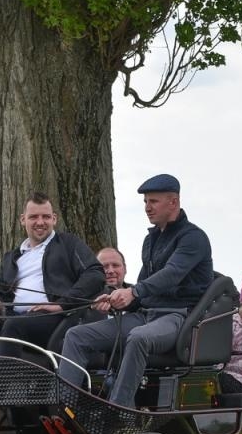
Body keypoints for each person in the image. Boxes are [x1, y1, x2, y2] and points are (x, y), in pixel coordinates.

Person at [58, 174, 213, 408]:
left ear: (173, 202)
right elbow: (144, 290)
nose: (147, 208)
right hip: (146, 315)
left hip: (178, 316)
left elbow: (171, 274)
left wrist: (133, 292)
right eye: (145, 202)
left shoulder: (193, 238)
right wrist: (118, 301)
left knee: (138, 338)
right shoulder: (150, 241)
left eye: (153, 201)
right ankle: (65, 410)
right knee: (76, 336)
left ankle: (119, 411)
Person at [0, 193, 104, 362]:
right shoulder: (12, 256)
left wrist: (61, 304)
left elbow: (95, 274)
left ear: (54, 219)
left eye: (46, 217)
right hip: (9, 314)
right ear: (23, 219)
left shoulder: (68, 244)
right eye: (33, 217)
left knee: (13, 326)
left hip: (52, 320)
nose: (40, 222)